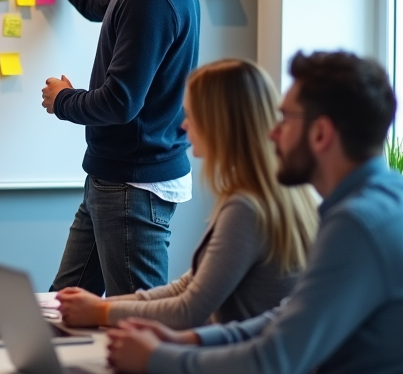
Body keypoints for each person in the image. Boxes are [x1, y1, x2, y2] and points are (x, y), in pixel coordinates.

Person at [105, 51, 403, 374]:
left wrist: (158, 359)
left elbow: (271, 365)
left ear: (320, 134)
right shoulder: (382, 201)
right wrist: (190, 341)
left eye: (285, 119)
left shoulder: (359, 223)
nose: (273, 133)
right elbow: (285, 317)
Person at [12, 0, 200, 296]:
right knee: (67, 306)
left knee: (138, 320)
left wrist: (63, 100)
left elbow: (119, 102)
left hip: (133, 189)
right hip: (112, 180)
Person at [56, 59, 319, 329]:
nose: (183, 126)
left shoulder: (246, 208)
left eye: (192, 116)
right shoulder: (273, 193)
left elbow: (188, 310)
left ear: (220, 124)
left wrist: (101, 313)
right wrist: (102, 306)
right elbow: (189, 285)